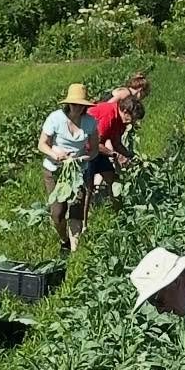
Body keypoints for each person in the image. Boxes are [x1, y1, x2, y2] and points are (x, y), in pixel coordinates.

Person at [39, 84, 109, 249]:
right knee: (57, 213)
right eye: (74, 104)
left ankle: (75, 251)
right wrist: (55, 154)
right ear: (68, 104)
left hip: (77, 172)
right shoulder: (55, 118)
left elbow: (93, 148)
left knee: (77, 210)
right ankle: (64, 240)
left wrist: (84, 158)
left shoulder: (90, 122)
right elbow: (42, 144)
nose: (77, 107)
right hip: (55, 171)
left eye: (81, 105)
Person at [90, 92, 138, 168]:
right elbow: (95, 144)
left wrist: (130, 156)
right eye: (133, 118)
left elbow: (116, 143)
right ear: (125, 112)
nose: (133, 122)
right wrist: (117, 155)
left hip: (95, 148)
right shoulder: (109, 116)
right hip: (84, 145)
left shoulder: (121, 121)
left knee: (110, 175)